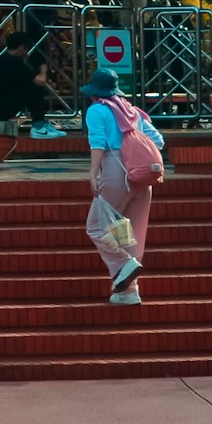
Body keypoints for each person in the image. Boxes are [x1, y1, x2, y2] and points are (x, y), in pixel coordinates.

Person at [83, 68, 161, 303]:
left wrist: (94, 172)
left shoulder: (97, 110)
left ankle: (126, 265)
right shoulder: (133, 111)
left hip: (117, 171)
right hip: (143, 176)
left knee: (96, 226)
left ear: (94, 93)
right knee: (127, 233)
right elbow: (158, 140)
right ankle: (128, 292)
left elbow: (97, 143)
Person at [0, 33, 55, 129]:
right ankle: (39, 125)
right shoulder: (15, 62)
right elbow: (41, 81)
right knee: (33, 87)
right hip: (0, 109)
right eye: (27, 49)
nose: (27, 53)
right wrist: (43, 70)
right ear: (21, 48)